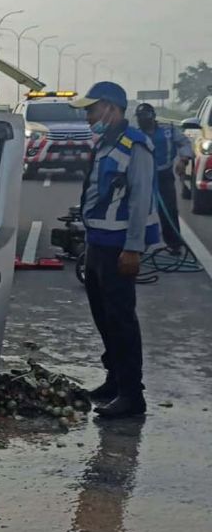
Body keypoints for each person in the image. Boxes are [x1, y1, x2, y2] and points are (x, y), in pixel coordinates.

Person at [70, 82, 160, 418]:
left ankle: (131, 395)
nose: (88, 116)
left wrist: (133, 249)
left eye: (91, 109)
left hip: (119, 247)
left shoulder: (135, 146)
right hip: (98, 243)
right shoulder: (107, 143)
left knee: (122, 320)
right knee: (103, 316)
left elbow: (139, 201)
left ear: (110, 108)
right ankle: (114, 379)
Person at [135, 103, 192, 253]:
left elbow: (184, 142)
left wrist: (183, 159)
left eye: (146, 117)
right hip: (143, 176)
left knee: (169, 209)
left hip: (164, 174)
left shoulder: (168, 130)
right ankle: (136, 245)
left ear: (153, 117)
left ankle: (174, 244)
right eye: (140, 118)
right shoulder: (135, 134)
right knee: (139, 210)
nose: (143, 120)